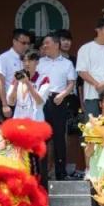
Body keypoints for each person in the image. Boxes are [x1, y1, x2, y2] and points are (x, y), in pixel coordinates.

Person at [7, 51, 51, 186]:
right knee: (19, 159)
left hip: (36, 124)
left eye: (30, 60)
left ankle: (40, 189)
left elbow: (40, 100)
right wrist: (16, 84)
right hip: (19, 125)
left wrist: (28, 83)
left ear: (37, 62)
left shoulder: (44, 79)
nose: (26, 64)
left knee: (37, 160)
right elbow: (10, 101)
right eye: (24, 61)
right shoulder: (17, 79)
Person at [39, 34, 77, 181]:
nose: (45, 46)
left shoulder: (67, 63)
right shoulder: (40, 62)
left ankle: (60, 173)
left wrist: (63, 95)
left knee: (59, 138)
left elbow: (71, 83)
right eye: (44, 44)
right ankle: (42, 173)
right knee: (42, 138)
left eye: (47, 43)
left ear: (56, 44)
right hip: (42, 102)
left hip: (59, 101)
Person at [0, 29, 32, 119]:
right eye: (23, 43)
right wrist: (4, 105)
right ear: (14, 41)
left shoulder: (29, 59)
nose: (26, 46)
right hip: (10, 104)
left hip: (25, 105)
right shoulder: (4, 58)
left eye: (28, 43)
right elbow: (0, 81)